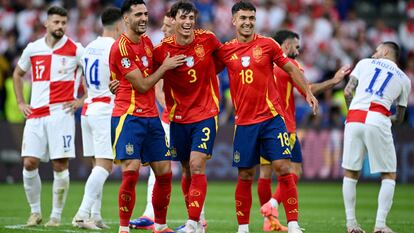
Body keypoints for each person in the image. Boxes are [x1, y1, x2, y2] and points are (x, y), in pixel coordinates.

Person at [215, 2, 318, 233]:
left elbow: (291, 69)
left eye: (251, 17)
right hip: (243, 123)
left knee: (283, 167)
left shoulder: (268, 44)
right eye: (243, 18)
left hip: (272, 119)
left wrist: (308, 92)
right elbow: (206, 74)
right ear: (233, 20)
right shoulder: (225, 51)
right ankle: (243, 228)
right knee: (245, 174)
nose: (248, 22)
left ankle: (292, 224)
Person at [257, 30, 351, 231]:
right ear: (286, 45)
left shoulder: (264, 63)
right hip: (285, 126)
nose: (298, 52)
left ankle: (270, 220)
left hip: (262, 124)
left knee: (265, 173)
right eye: (296, 47)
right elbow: (308, 88)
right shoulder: (291, 66)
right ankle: (273, 205)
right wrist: (334, 81)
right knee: (294, 170)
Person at [109, 1, 185, 233]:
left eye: (145, 13)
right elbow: (142, 85)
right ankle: (123, 228)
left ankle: (160, 226)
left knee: (164, 171)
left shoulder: (147, 43)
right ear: (126, 19)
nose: (144, 18)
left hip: (151, 117)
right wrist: (164, 68)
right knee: (131, 171)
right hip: (128, 116)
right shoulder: (121, 47)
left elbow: (152, 72)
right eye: (138, 14)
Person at [12, 5, 84, 227]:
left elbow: (93, 73)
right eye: (56, 22)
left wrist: (82, 100)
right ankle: (35, 212)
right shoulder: (33, 48)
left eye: (64, 23)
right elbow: (17, 73)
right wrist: (21, 102)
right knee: (29, 162)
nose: (60, 26)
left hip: (61, 115)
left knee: (59, 165)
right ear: (46, 23)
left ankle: (55, 215)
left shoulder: (76, 49)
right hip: (36, 114)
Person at [152, 1, 221, 232]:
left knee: (196, 164)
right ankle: (199, 220)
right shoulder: (162, 50)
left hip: (205, 113)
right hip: (178, 118)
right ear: (173, 19)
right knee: (186, 169)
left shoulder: (208, 39)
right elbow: (146, 76)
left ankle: (192, 223)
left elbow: (222, 61)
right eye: (183, 18)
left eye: (191, 18)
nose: (188, 22)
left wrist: (207, 78)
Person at [342, 41, 411, 233]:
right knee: (388, 174)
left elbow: (347, 91)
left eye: (377, 50)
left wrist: (354, 112)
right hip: (378, 118)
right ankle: (380, 225)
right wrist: (387, 120)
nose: (374, 53)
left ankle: (351, 225)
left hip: (354, 116)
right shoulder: (405, 79)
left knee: (350, 172)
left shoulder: (363, 63)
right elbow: (401, 117)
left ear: (386, 51)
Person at [71, 7, 124, 230]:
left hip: (88, 110)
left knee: (96, 165)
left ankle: (96, 214)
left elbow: (84, 80)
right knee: (105, 165)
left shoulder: (89, 47)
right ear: (120, 24)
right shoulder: (115, 48)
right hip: (104, 111)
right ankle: (81, 215)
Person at [128, 12, 177, 231]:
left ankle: (198, 218)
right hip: (168, 119)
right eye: (164, 26)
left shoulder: (194, 48)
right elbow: (157, 88)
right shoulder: (159, 51)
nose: (164, 30)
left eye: (168, 26)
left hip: (194, 120)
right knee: (158, 166)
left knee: (192, 166)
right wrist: (171, 107)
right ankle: (150, 214)